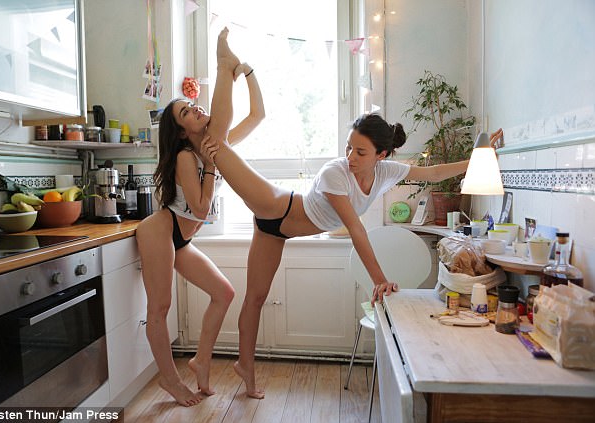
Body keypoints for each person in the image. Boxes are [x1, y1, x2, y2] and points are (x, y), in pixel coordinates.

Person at [169, 32, 503, 399]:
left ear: (382, 154)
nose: (351, 156)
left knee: (256, 298)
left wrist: (480, 159)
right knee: (214, 143)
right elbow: (356, 229)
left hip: (277, 231)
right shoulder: (335, 173)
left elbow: (435, 173)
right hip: (275, 205)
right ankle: (224, 64)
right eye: (349, 147)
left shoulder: (389, 171)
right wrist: (380, 280)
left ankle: (233, 368)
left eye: (361, 151)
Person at [135, 27, 264, 406]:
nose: (196, 109)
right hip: (161, 230)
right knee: (159, 308)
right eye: (187, 112)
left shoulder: (209, 148)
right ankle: (170, 381)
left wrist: (248, 73)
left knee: (223, 293)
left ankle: (201, 361)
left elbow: (257, 116)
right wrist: (211, 167)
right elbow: (202, 208)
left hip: (183, 237)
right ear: (180, 130)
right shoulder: (188, 157)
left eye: (192, 105)